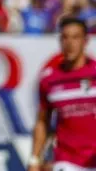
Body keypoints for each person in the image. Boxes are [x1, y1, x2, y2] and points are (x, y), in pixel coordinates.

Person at [31, 16, 96, 171]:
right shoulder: (49, 78)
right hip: (66, 160)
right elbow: (42, 122)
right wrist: (34, 160)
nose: (70, 43)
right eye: (65, 37)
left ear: (85, 41)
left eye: (75, 37)